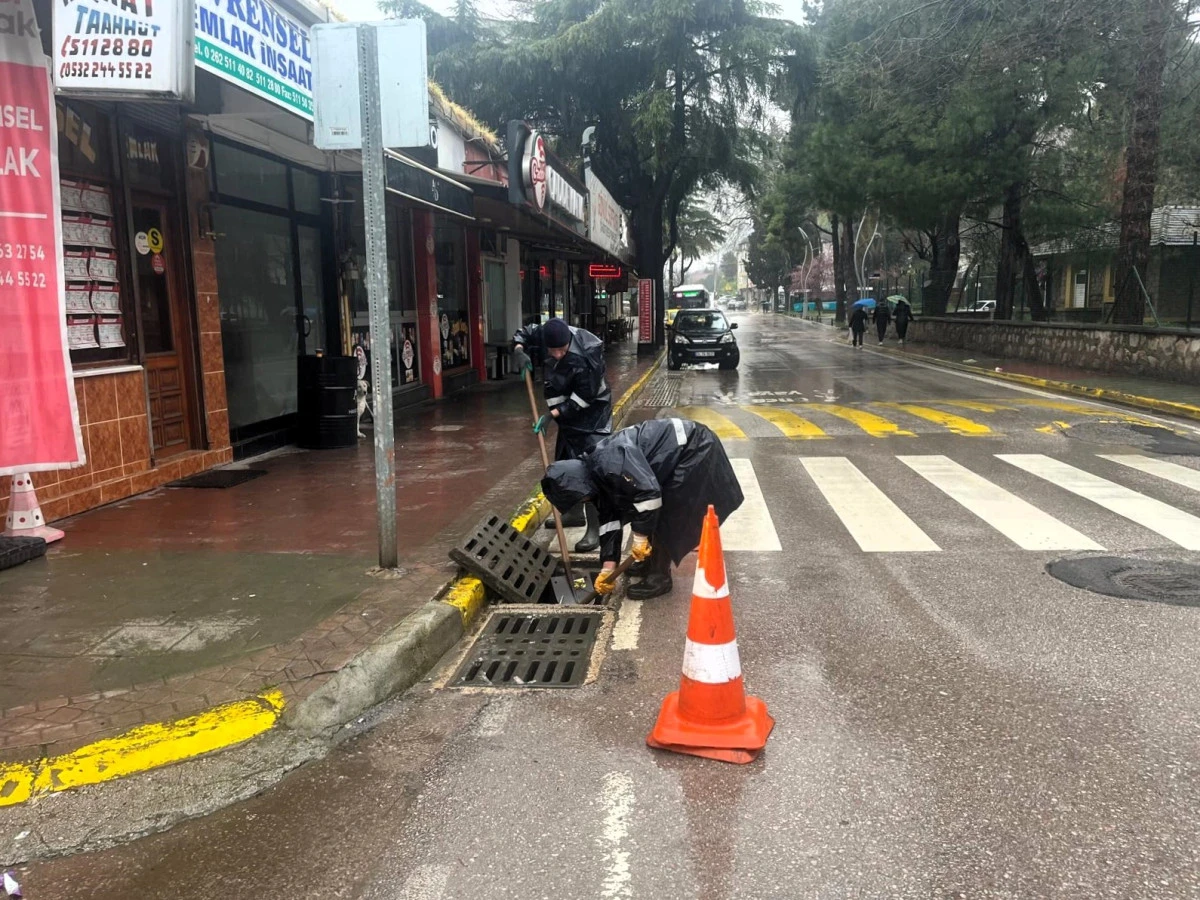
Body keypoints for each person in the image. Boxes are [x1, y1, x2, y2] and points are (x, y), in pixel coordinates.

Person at [541, 418, 744, 600]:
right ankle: (650, 562)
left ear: (578, 484)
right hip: (677, 456)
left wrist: (640, 538)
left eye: (580, 497)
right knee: (651, 511)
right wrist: (607, 567)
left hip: (695, 448)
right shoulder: (597, 477)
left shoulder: (611, 462)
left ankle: (660, 577)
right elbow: (609, 523)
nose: (584, 501)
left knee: (666, 511)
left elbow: (649, 495)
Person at [511, 318, 612, 552]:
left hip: (592, 415)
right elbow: (524, 332)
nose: (557, 355)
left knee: (590, 468)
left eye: (562, 350)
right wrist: (519, 351)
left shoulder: (589, 353)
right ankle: (574, 512)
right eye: (552, 350)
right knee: (566, 460)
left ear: (569, 343)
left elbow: (585, 397)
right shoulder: (546, 333)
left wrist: (552, 416)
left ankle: (596, 529)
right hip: (566, 410)